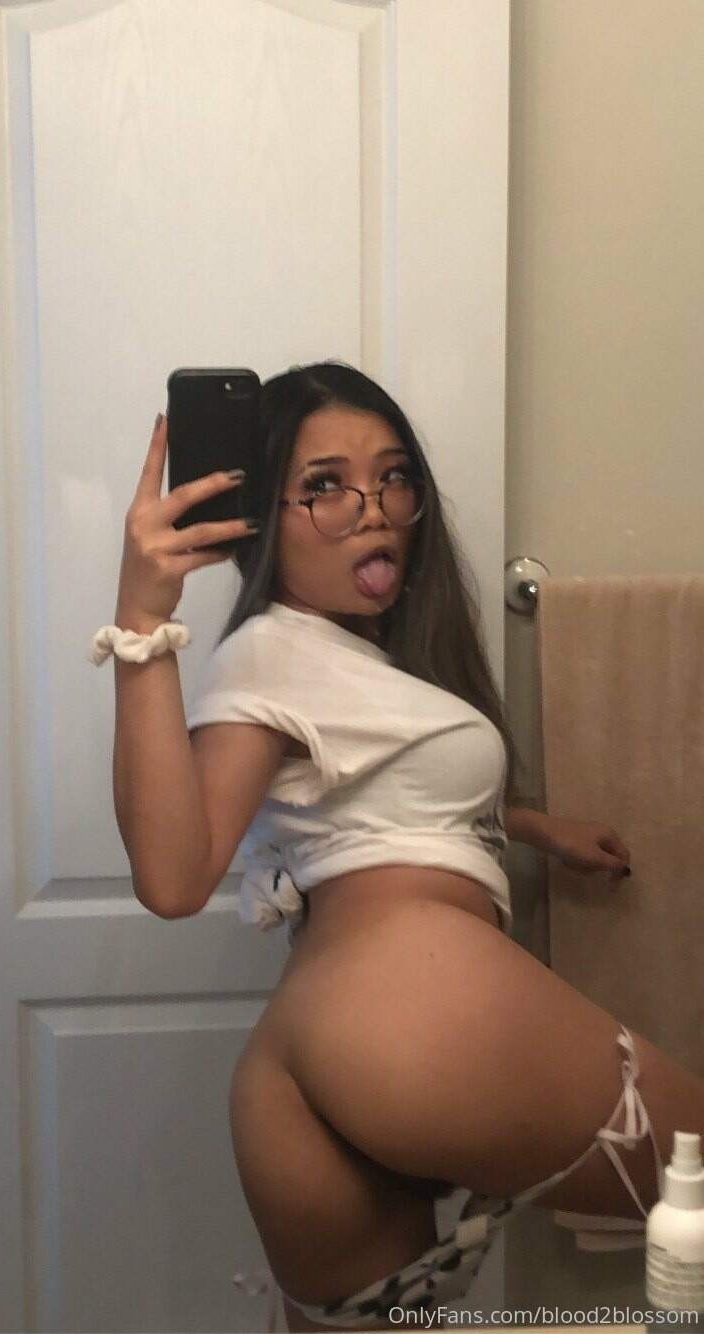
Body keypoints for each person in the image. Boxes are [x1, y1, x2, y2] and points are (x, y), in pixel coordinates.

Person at [107, 361, 704, 1332]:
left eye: (392, 478)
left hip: (303, 1072)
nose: (374, 510)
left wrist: (530, 824)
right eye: (326, 485)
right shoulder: (271, 653)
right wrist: (142, 620)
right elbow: (174, 879)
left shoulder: (347, 661)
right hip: (410, 1010)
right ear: (262, 516)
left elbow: (378, 805)